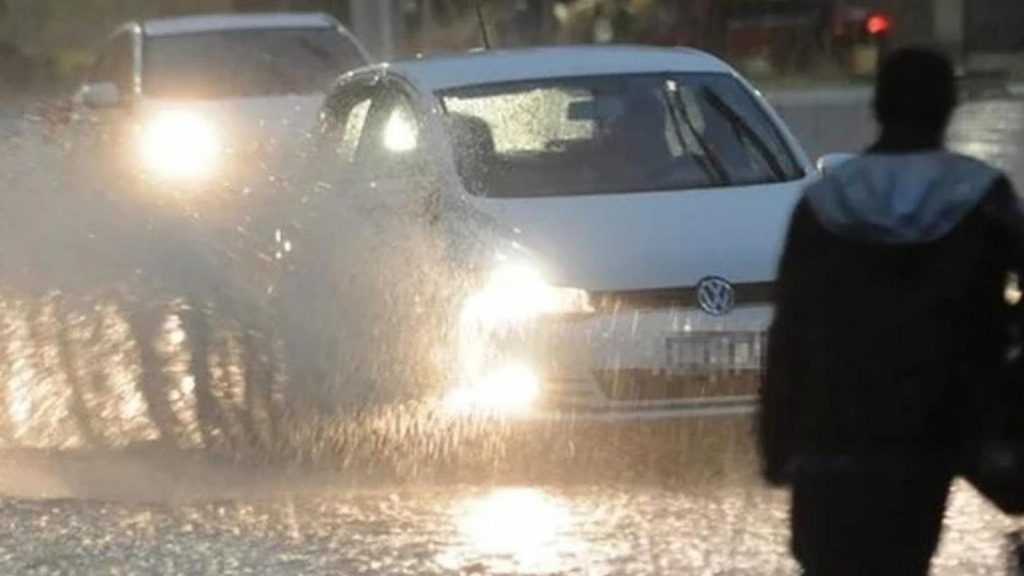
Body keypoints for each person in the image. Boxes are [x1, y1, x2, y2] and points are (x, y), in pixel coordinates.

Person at [758, 47, 1024, 575]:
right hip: (925, 444)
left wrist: (775, 437)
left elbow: (789, 329)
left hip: (827, 441)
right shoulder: (981, 198)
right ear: (948, 108)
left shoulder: (824, 204)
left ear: (876, 107)